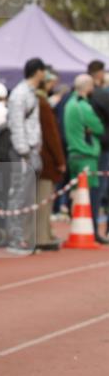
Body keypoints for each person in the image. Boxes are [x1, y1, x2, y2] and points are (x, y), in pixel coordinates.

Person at [5, 57, 47, 253]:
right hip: (23, 152)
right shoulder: (20, 94)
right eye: (43, 70)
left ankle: (23, 237)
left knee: (27, 196)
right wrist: (23, 151)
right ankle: (15, 238)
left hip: (31, 149)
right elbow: (16, 124)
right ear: (38, 71)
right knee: (18, 195)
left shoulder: (29, 93)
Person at [64, 73, 108, 244]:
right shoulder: (83, 107)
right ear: (89, 87)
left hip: (73, 153)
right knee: (92, 196)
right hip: (87, 155)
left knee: (76, 195)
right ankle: (93, 231)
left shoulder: (69, 104)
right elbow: (98, 127)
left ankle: (78, 228)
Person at [35, 70, 66, 250]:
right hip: (45, 159)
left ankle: (45, 233)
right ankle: (42, 236)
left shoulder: (39, 101)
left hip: (39, 157)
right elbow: (51, 134)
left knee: (42, 199)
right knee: (43, 199)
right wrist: (60, 160)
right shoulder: (42, 103)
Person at [87, 60, 109, 216]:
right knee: (97, 187)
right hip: (101, 145)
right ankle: (94, 228)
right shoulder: (100, 94)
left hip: (89, 145)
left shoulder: (78, 97)